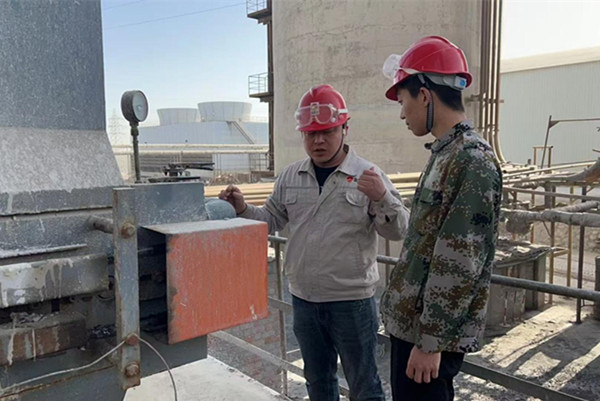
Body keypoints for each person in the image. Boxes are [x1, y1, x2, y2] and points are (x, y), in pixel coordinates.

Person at [220, 84, 409, 401]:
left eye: (327, 131)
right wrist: (242, 209)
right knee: (318, 382)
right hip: (304, 300)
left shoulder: (368, 175)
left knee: (364, 385)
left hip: (352, 302)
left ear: (344, 129)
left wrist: (382, 197)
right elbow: (270, 219)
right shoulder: (291, 176)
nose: (318, 141)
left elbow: (398, 231)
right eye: (310, 133)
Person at [379, 36, 503, 401]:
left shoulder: (471, 159)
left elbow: (460, 261)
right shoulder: (446, 153)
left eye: (403, 101)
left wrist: (431, 341)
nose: (402, 114)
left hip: (427, 338)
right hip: (414, 329)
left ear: (424, 95)